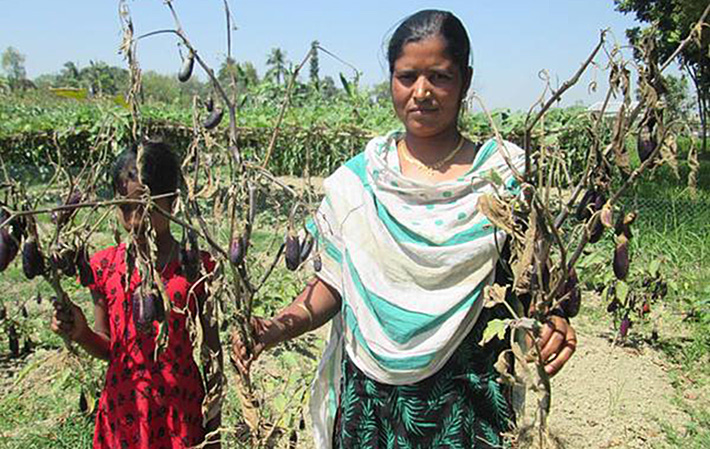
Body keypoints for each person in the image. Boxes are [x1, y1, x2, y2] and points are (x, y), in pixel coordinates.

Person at [232, 9, 577, 449]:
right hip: (371, 403)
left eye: (440, 76)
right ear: (392, 80)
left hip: (466, 398)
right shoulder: (358, 182)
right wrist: (277, 327)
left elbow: (536, 279)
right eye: (407, 76)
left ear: (465, 81)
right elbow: (333, 284)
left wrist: (554, 316)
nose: (422, 92)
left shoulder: (502, 178)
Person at [51, 142, 222, 449]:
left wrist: (214, 427)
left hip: (181, 411)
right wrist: (81, 332)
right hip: (125, 411)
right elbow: (109, 347)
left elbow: (212, 353)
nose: (134, 220)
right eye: (125, 208)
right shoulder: (103, 266)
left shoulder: (196, 266)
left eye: (145, 207)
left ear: (173, 202)